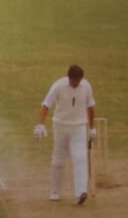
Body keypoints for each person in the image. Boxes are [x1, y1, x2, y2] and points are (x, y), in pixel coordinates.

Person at [33, 64, 96, 205]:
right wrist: (41, 124)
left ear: (81, 79)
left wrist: (92, 128)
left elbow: (91, 106)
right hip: (60, 126)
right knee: (59, 159)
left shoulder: (86, 86)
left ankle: (81, 192)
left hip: (79, 127)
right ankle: (55, 191)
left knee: (80, 157)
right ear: (69, 78)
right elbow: (45, 105)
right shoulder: (58, 86)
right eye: (73, 80)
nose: (75, 83)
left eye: (78, 80)